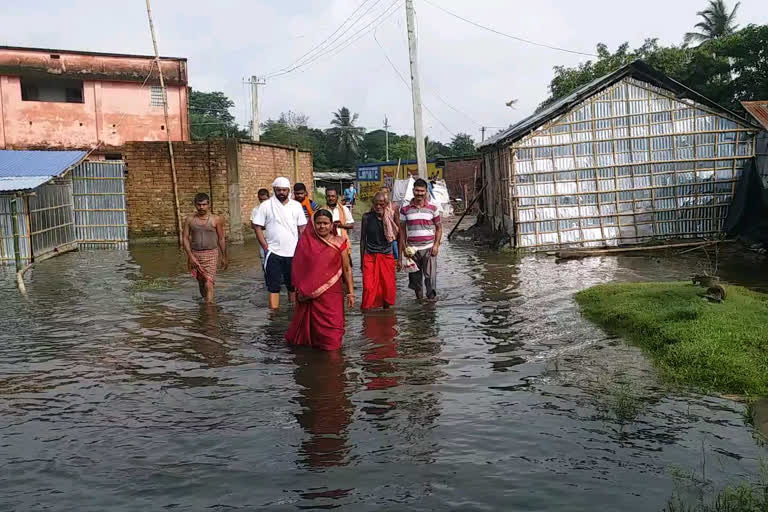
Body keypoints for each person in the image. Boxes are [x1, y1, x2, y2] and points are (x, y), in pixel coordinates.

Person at [285, 209, 355, 351]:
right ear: (313, 224)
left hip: (332, 294)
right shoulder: (306, 243)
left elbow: (347, 269)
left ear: (331, 225)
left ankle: (332, 354)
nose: (322, 226)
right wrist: (301, 290)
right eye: (318, 223)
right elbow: (299, 269)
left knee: (334, 328)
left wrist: (351, 292)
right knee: (313, 331)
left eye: (325, 223)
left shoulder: (339, 242)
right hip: (310, 295)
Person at [252, 177, 307, 310]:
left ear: (289, 191)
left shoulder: (296, 206)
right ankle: (274, 315)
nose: (281, 192)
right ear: (274, 190)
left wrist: (303, 249)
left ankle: (293, 311)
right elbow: (257, 226)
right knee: (273, 286)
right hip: (273, 252)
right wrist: (265, 247)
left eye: (284, 190)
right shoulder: (266, 205)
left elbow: (302, 229)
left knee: (292, 285)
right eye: (278, 190)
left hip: (293, 252)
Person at [399, 178, 442, 301]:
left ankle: (430, 308)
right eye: (417, 190)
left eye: (422, 191)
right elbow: (401, 230)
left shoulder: (433, 208)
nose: (419, 193)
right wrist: (404, 249)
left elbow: (439, 228)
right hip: (412, 251)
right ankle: (420, 307)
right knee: (416, 282)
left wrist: (436, 245)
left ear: (426, 192)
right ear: (413, 191)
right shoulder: (405, 209)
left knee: (430, 279)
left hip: (429, 249)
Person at [182, 192, 228, 303]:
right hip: (195, 254)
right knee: (201, 281)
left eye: (204, 204)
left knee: (209, 282)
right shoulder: (190, 220)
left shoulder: (216, 219)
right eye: (199, 205)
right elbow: (185, 238)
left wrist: (224, 256)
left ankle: (209, 310)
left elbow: (221, 238)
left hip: (211, 253)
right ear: (195, 205)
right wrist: (190, 256)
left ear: (208, 204)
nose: (201, 207)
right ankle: (205, 302)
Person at [361, 192, 397, 310]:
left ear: (386, 204)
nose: (378, 207)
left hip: (386, 255)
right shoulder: (366, 217)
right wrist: (362, 261)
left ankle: (386, 310)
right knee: (368, 286)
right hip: (370, 256)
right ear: (373, 204)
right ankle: (366, 312)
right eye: (376, 204)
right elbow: (362, 240)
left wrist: (400, 258)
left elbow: (400, 235)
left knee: (387, 286)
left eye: (381, 204)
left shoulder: (391, 217)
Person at [325, 188, 354, 265]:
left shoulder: (344, 209)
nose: (331, 198)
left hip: (343, 245)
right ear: (325, 197)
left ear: (337, 197)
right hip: (327, 245)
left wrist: (340, 225)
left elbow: (351, 225)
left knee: (346, 270)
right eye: (328, 196)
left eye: (333, 196)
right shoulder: (322, 211)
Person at [379, 185, 400, 260]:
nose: (384, 195)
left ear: (388, 194)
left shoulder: (394, 207)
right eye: (382, 193)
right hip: (380, 239)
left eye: (385, 193)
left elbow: (398, 225)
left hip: (392, 238)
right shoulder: (377, 208)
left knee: (395, 258)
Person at [252, 188, 271, 265]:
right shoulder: (256, 210)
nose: (263, 202)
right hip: (261, 237)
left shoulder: (273, 209)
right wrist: (265, 225)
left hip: (273, 237)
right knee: (263, 256)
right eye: (261, 200)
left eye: (264, 199)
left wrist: (260, 225)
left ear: (268, 198)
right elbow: (253, 225)